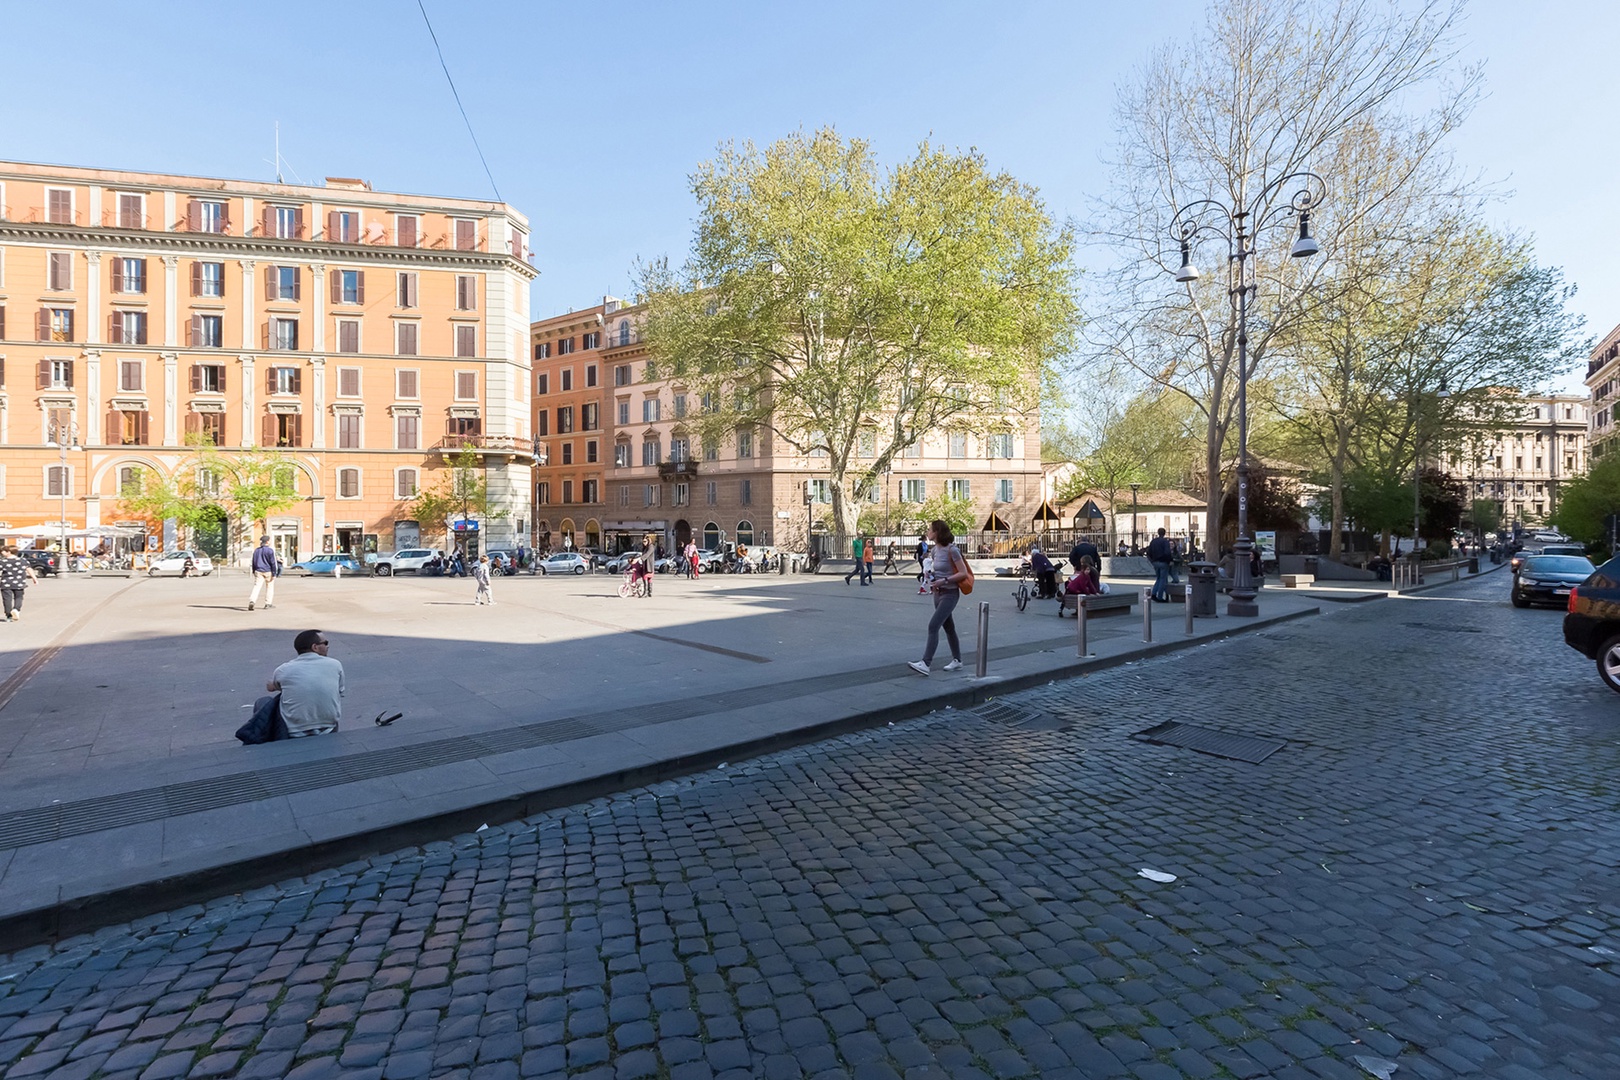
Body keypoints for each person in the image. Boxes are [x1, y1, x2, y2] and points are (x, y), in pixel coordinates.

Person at [908, 520, 968, 677]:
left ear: (937, 532)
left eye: (930, 529)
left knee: (933, 625)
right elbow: (939, 571)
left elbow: (963, 573)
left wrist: (945, 580)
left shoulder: (952, 550)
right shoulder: (934, 551)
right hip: (937, 592)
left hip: (950, 593)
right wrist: (931, 575)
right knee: (949, 627)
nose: (928, 532)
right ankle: (957, 660)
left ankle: (926, 663)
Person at [265, 629, 345, 737]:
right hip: (329, 727)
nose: (327, 646)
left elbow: (273, 687)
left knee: (263, 702)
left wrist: (272, 686)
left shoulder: (283, 670)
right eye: (325, 643)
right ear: (315, 647)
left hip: (293, 730)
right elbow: (340, 691)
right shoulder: (335, 665)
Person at [0, 548, 38, 622]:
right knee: (19, 597)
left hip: (6, 583)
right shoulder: (23, 560)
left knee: (7, 599)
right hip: (19, 582)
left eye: (3, 552)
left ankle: (9, 616)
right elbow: (29, 569)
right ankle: (16, 609)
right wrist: (34, 578)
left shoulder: (2, 561)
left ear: (9, 552)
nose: (1, 553)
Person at [247, 536, 280, 611]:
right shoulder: (270, 550)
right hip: (268, 571)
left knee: (257, 586)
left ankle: (252, 600)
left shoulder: (256, 550)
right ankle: (268, 603)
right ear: (268, 541)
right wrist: (274, 573)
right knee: (269, 587)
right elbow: (273, 563)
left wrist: (254, 570)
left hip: (258, 571)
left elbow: (254, 561)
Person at [1147, 527, 1173, 603]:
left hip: (1155, 562)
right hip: (1163, 562)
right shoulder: (1165, 542)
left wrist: (1152, 561)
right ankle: (1159, 596)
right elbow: (1167, 553)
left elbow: (1149, 552)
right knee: (1163, 579)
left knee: (1158, 578)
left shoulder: (1153, 541)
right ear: (1164, 533)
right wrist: (1170, 561)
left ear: (1158, 533)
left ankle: (1154, 593)